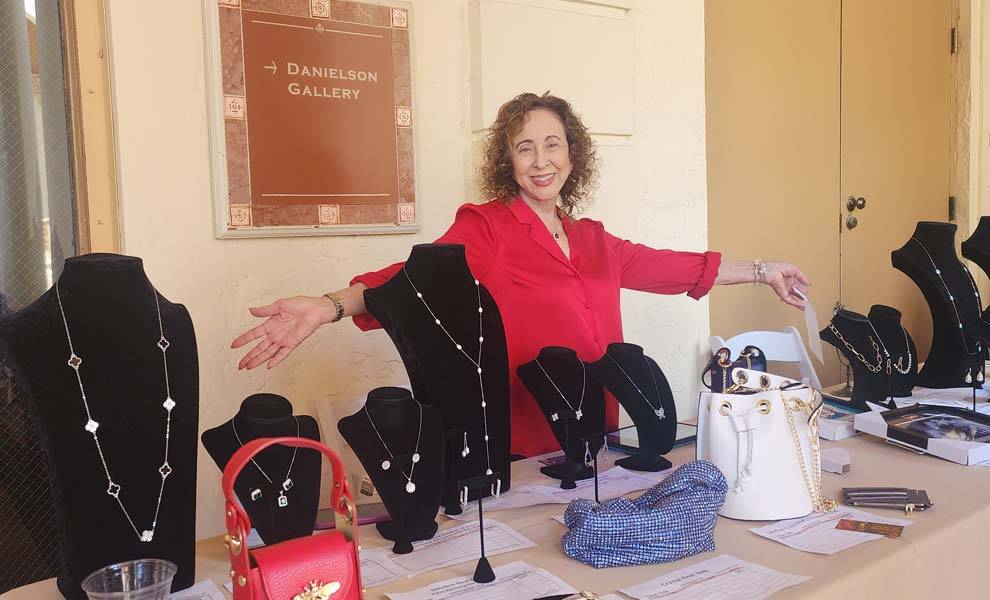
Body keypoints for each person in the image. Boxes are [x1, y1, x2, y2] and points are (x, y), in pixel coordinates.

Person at [232, 92, 809, 457]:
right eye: (525, 148)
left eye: (552, 145)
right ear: (507, 162)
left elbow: (672, 268)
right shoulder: (487, 229)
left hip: (601, 426)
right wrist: (329, 306)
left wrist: (762, 271)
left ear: (572, 155)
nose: (541, 162)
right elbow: (410, 279)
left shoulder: (593, 239)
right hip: (531, 436)